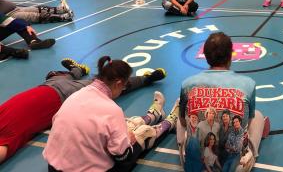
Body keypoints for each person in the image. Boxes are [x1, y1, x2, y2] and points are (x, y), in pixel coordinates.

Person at [0, 57, 167, 164]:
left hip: (50, 86)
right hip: (59, 93)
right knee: (110, 86)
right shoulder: (7, 137)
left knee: (57, 77)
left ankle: (77, 70)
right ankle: (147, 78)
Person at [43, 56, 175, 172]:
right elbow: (123, 156)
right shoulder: (111, 110)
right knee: (141, 134)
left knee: (122, 126)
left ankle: (154, 115)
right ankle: (170, 121)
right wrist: (129, 141)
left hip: (53, 167)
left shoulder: (76, 95)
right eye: (124, 86)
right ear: (118, 84)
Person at [178, 32, 270, 172]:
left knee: (181, 117)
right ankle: (252, 150)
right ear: (230, 55)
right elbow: (247, 123)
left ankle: (181, 145)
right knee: (257, 116)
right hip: (234, 168)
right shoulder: (248, 84)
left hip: (195, 166)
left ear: (206, 56)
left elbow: (184, 123)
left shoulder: (187, 84)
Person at [0, 0, 74, 23]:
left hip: (15, 8)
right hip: (8, 15)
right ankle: (63, 18)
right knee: (33, 15)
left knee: (35, 8)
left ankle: (60, 9)